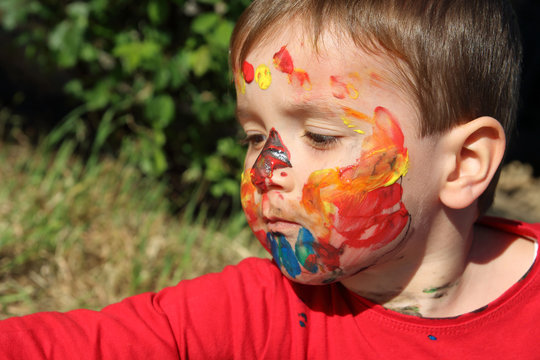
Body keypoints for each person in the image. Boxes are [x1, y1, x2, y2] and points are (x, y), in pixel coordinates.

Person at [1, 0, 539, 358]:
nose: (263, 171)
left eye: (322, 136)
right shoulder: (259, 312)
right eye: (255, 137)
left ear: (464, 163)